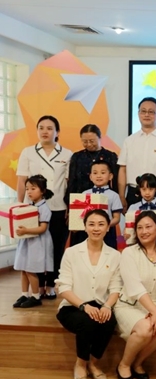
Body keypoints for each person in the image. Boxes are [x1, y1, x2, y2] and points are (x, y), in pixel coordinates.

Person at [55, 209, 121, 379]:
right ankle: (81, 363)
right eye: (91, 224)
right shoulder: (71, 252)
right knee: (87, 320)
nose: (96, 228)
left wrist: (107, 306)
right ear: (85, 227)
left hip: (100, 304)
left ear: (108, 227)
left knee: (109, 321)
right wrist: (83, 306)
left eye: (101, 224)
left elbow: (116, 287)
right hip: (72, 306)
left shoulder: (115, 255)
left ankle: (94, 363)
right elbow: (64, 287)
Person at [16, 115, 72, 298]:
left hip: (58, 207)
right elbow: (22, 180)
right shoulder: (28, 152)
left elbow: (69, 184)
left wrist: (70, 208)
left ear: (57, 132)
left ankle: (51, 286)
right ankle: (38, 287)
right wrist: (20, 206)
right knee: (35, 250)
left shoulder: (67, 154)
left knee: (57, 248)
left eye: (49, 128)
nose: (45, 131)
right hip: (33, 209)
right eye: (41, 128)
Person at [114, 211, 156, 379]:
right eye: (139, 228)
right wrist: (154, 312)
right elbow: (134, 287)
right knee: (146, 328)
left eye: (148, 227)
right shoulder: (129, 253)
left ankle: (138, 363)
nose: (144, 231)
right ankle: (124, 364)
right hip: (129, 304)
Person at [118, 97, 156, 211]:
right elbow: (123, 170)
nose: (147, 115)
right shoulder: (129, 141)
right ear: (138, 114)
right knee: (133, 223)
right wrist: (121, 196)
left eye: (151, 112)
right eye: (143, 111)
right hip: (134, 193)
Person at [11, 175, 54, 308]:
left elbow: (42, 228)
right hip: (27, 241)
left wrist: (26, 230)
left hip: (37, 243)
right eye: (27, 189)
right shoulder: (28, 206)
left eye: (33, 188)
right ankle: (25, 294)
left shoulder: (44, 208)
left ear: (42, 191)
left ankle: (36, 296)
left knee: (30, 269)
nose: (29, 192)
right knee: (23, 269)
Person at [71, 160, 123, 249]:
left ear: (110, 176)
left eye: (103, 173)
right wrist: (76, 225)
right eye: (95, 173)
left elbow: (117, 218)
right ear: (90, 177)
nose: (99, 176)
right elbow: (78, 216)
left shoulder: (114, 195)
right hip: (87, 232)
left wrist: (104, 226)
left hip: (107, 232)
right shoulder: (84, 194)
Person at [66, 124, 119, 201]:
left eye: (92, 141)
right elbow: (72, 181)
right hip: (81, 199)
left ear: (100, 138)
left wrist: (118, 197)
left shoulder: (110, 156)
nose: (89, 144)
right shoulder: (77, 156)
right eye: (85, 141)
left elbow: (115, 181)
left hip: (105, 198)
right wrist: (69, 201)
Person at [125, 173, 156, 239]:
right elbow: (127, 227)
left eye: (150, 189)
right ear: (140, 189)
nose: (147, 193)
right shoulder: (133, 207)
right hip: (137, 241)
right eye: (144, 189)